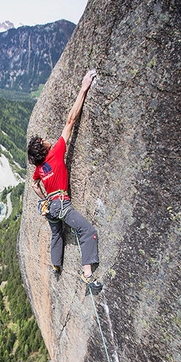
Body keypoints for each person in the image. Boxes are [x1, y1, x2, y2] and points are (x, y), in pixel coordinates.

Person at [28, 69, 102, 294]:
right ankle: (87, 275)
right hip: (60, 203)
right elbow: (71, 120)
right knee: (87, 231)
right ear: (44, 148)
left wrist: (44, 199)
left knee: (56, 233)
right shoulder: (57, 151)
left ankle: (56, 265)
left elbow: (34, 185)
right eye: (43, 141)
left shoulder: (40, 169)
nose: (47, 139)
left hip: (49, 206)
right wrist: (83, 88)